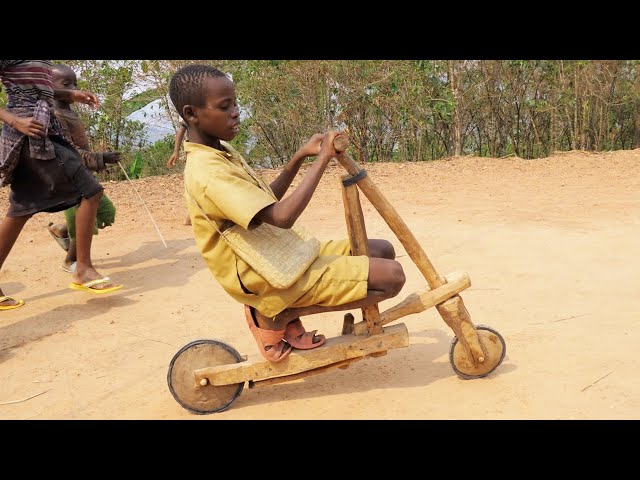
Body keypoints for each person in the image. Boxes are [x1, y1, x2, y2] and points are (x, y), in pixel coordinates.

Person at [169, 64, 405, 362]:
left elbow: (265, 203)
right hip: (262, 274)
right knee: (393, 277)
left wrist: (299, 157)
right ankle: (278, 313)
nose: (236, 112)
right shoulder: (208, 172)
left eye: (235, 103)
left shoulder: (221, 151)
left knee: (382, 249)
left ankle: (283, 309)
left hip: (277, 255)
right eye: (225, 106)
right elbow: (282, 217)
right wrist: (323, 159)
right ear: (192, 114)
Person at [0, 60, 122, 311]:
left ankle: (82, 267)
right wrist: (15, 121)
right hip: (27, 134)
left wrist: (71, 94)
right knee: (91, 190)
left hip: (43, 132)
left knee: (21, 209)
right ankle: (83, 269)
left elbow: (39, 91)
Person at [46, 63, 122, 273]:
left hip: (83, 175)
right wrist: (101, 158)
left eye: (75, 84)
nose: (74, 89)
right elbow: (69, 152)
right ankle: (71, 261)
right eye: (66, 84)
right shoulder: (55, 116)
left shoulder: (69, 113)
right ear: (50, 87)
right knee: (83, 224)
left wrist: (99, 159)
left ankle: (62, 231)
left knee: (106, 213)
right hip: (69, 178)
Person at [167, 121, 192, 226]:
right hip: (194, 152)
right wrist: (176, 151)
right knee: (192, 184)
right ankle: (191, 215)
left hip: (213, 151)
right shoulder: (193, 109)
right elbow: (182, 129)